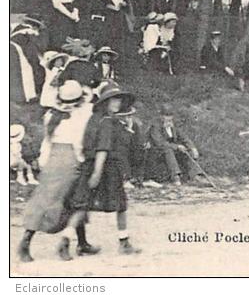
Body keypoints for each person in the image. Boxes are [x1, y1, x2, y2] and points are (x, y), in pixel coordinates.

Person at [17, 81, 94, 263]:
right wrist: (82, 160)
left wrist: (44, 164)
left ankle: (26, 242)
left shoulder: (51, 115)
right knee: (76, 200)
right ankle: (67, 244)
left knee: (44, 200)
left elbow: (47, 141)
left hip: (52, 159)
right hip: (70, 159)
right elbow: (78, 142)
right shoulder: (79, 116)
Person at [62, 83, 141, 259]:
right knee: (120, 204)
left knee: (83, 206)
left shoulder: (93, 119)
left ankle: (65, 240)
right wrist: (97, 172)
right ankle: (124, 242)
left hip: (89, 165)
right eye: (113, 99)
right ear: (105, 102)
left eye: (119, 99)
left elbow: (86, 144)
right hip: (106, 167)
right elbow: (103, 148)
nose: (117, 103)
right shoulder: (107, 121)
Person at [147, 107, 200, 185]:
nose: (168, 118)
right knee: (168, 150)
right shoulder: (155, 126)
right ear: (161, 116)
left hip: (172, 149)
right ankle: (175, 176)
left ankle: (194, 175)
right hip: (157, 150)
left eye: (170, 115)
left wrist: (193, 148)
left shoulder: (173, 125)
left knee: (188, 150)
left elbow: (184, 137)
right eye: (166, 115)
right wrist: (177, 147)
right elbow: (159, 142)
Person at [11, 18, 45, 103]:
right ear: (34, 26)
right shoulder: (29, 33)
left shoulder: (17, 31)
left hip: (13, 52)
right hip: (21, 54)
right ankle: (30, 96)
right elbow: (33, 55)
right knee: (27, 73)